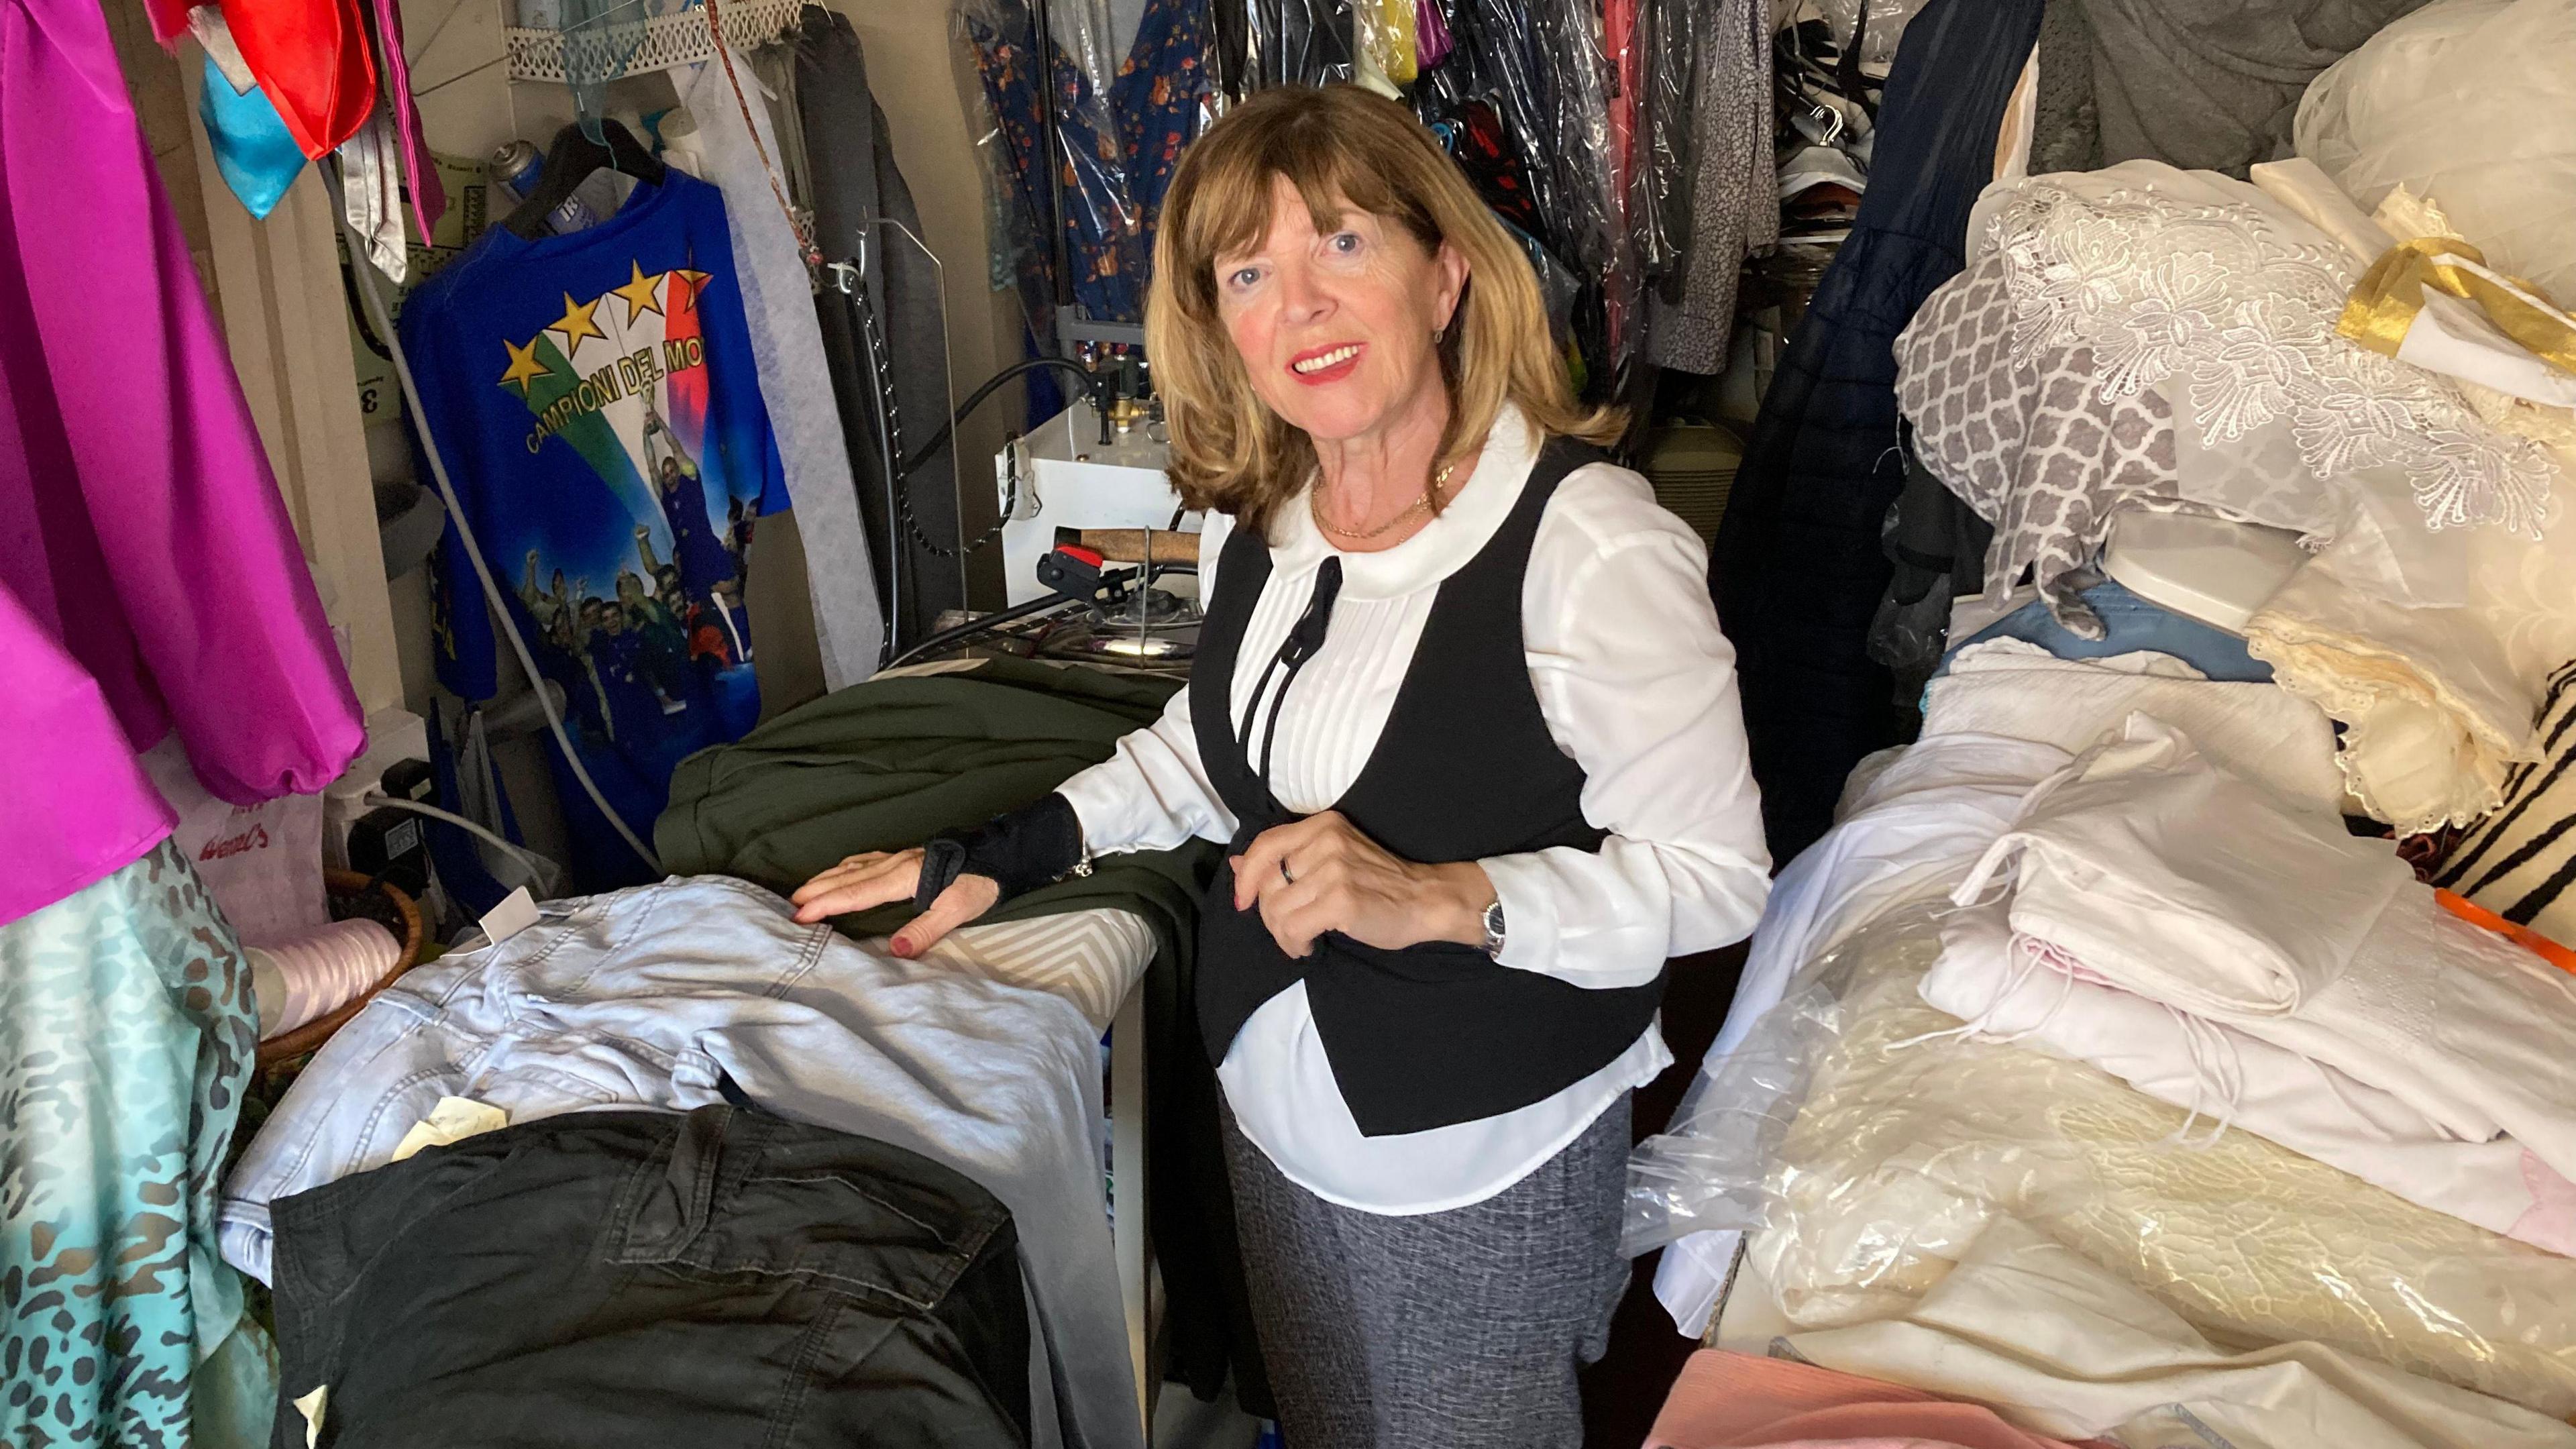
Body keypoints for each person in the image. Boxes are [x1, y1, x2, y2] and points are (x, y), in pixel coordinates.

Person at [790, 84, 1769, 1447]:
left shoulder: (1591, 546)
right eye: (1251, 272)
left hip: (1476, 1162)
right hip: (1271, 1104)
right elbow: (1211, 751)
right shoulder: (1266, 521)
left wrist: (1439, 897)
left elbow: (1719, 883)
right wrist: (996, 859)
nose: (1298, 305)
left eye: (1344, 247)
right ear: (1221, 327)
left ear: (1445, 276)